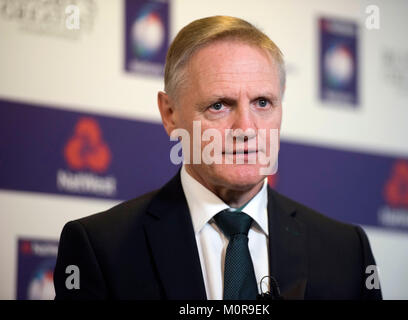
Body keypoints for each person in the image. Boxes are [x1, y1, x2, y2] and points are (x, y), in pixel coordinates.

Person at [53, 16, 382, 300]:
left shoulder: (346, 251)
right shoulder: (101, 248)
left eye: (263, 103)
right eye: (219, 105)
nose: (247, 128)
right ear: (170, 114)